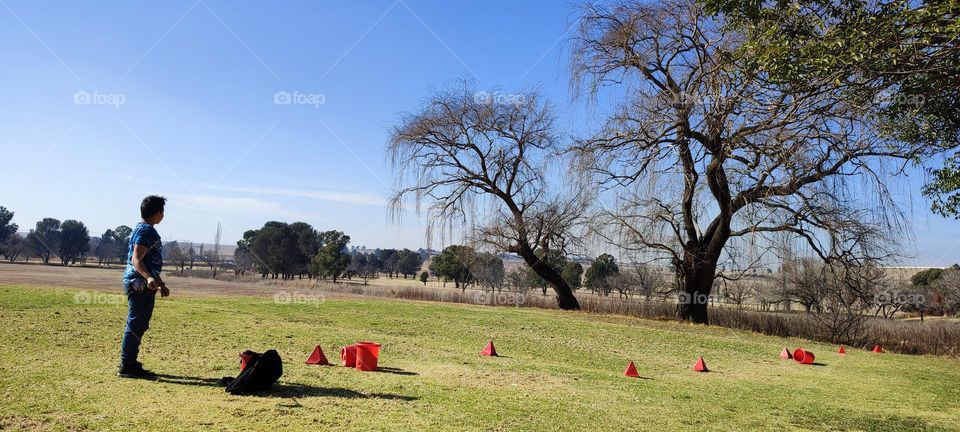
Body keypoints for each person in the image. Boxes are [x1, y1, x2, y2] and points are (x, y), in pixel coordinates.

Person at [118, 195, 170, 379]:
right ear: (158, 213)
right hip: (138, 284)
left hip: (143, 282)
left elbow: (149, 262)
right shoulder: (147, 231)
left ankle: (130, 362)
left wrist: (160, 283)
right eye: (162, 212)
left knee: (140, 323)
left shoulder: (143, 229)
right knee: (136, 323)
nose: (163, 215)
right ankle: (127, 365)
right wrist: (148, 278)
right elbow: (137, 260)